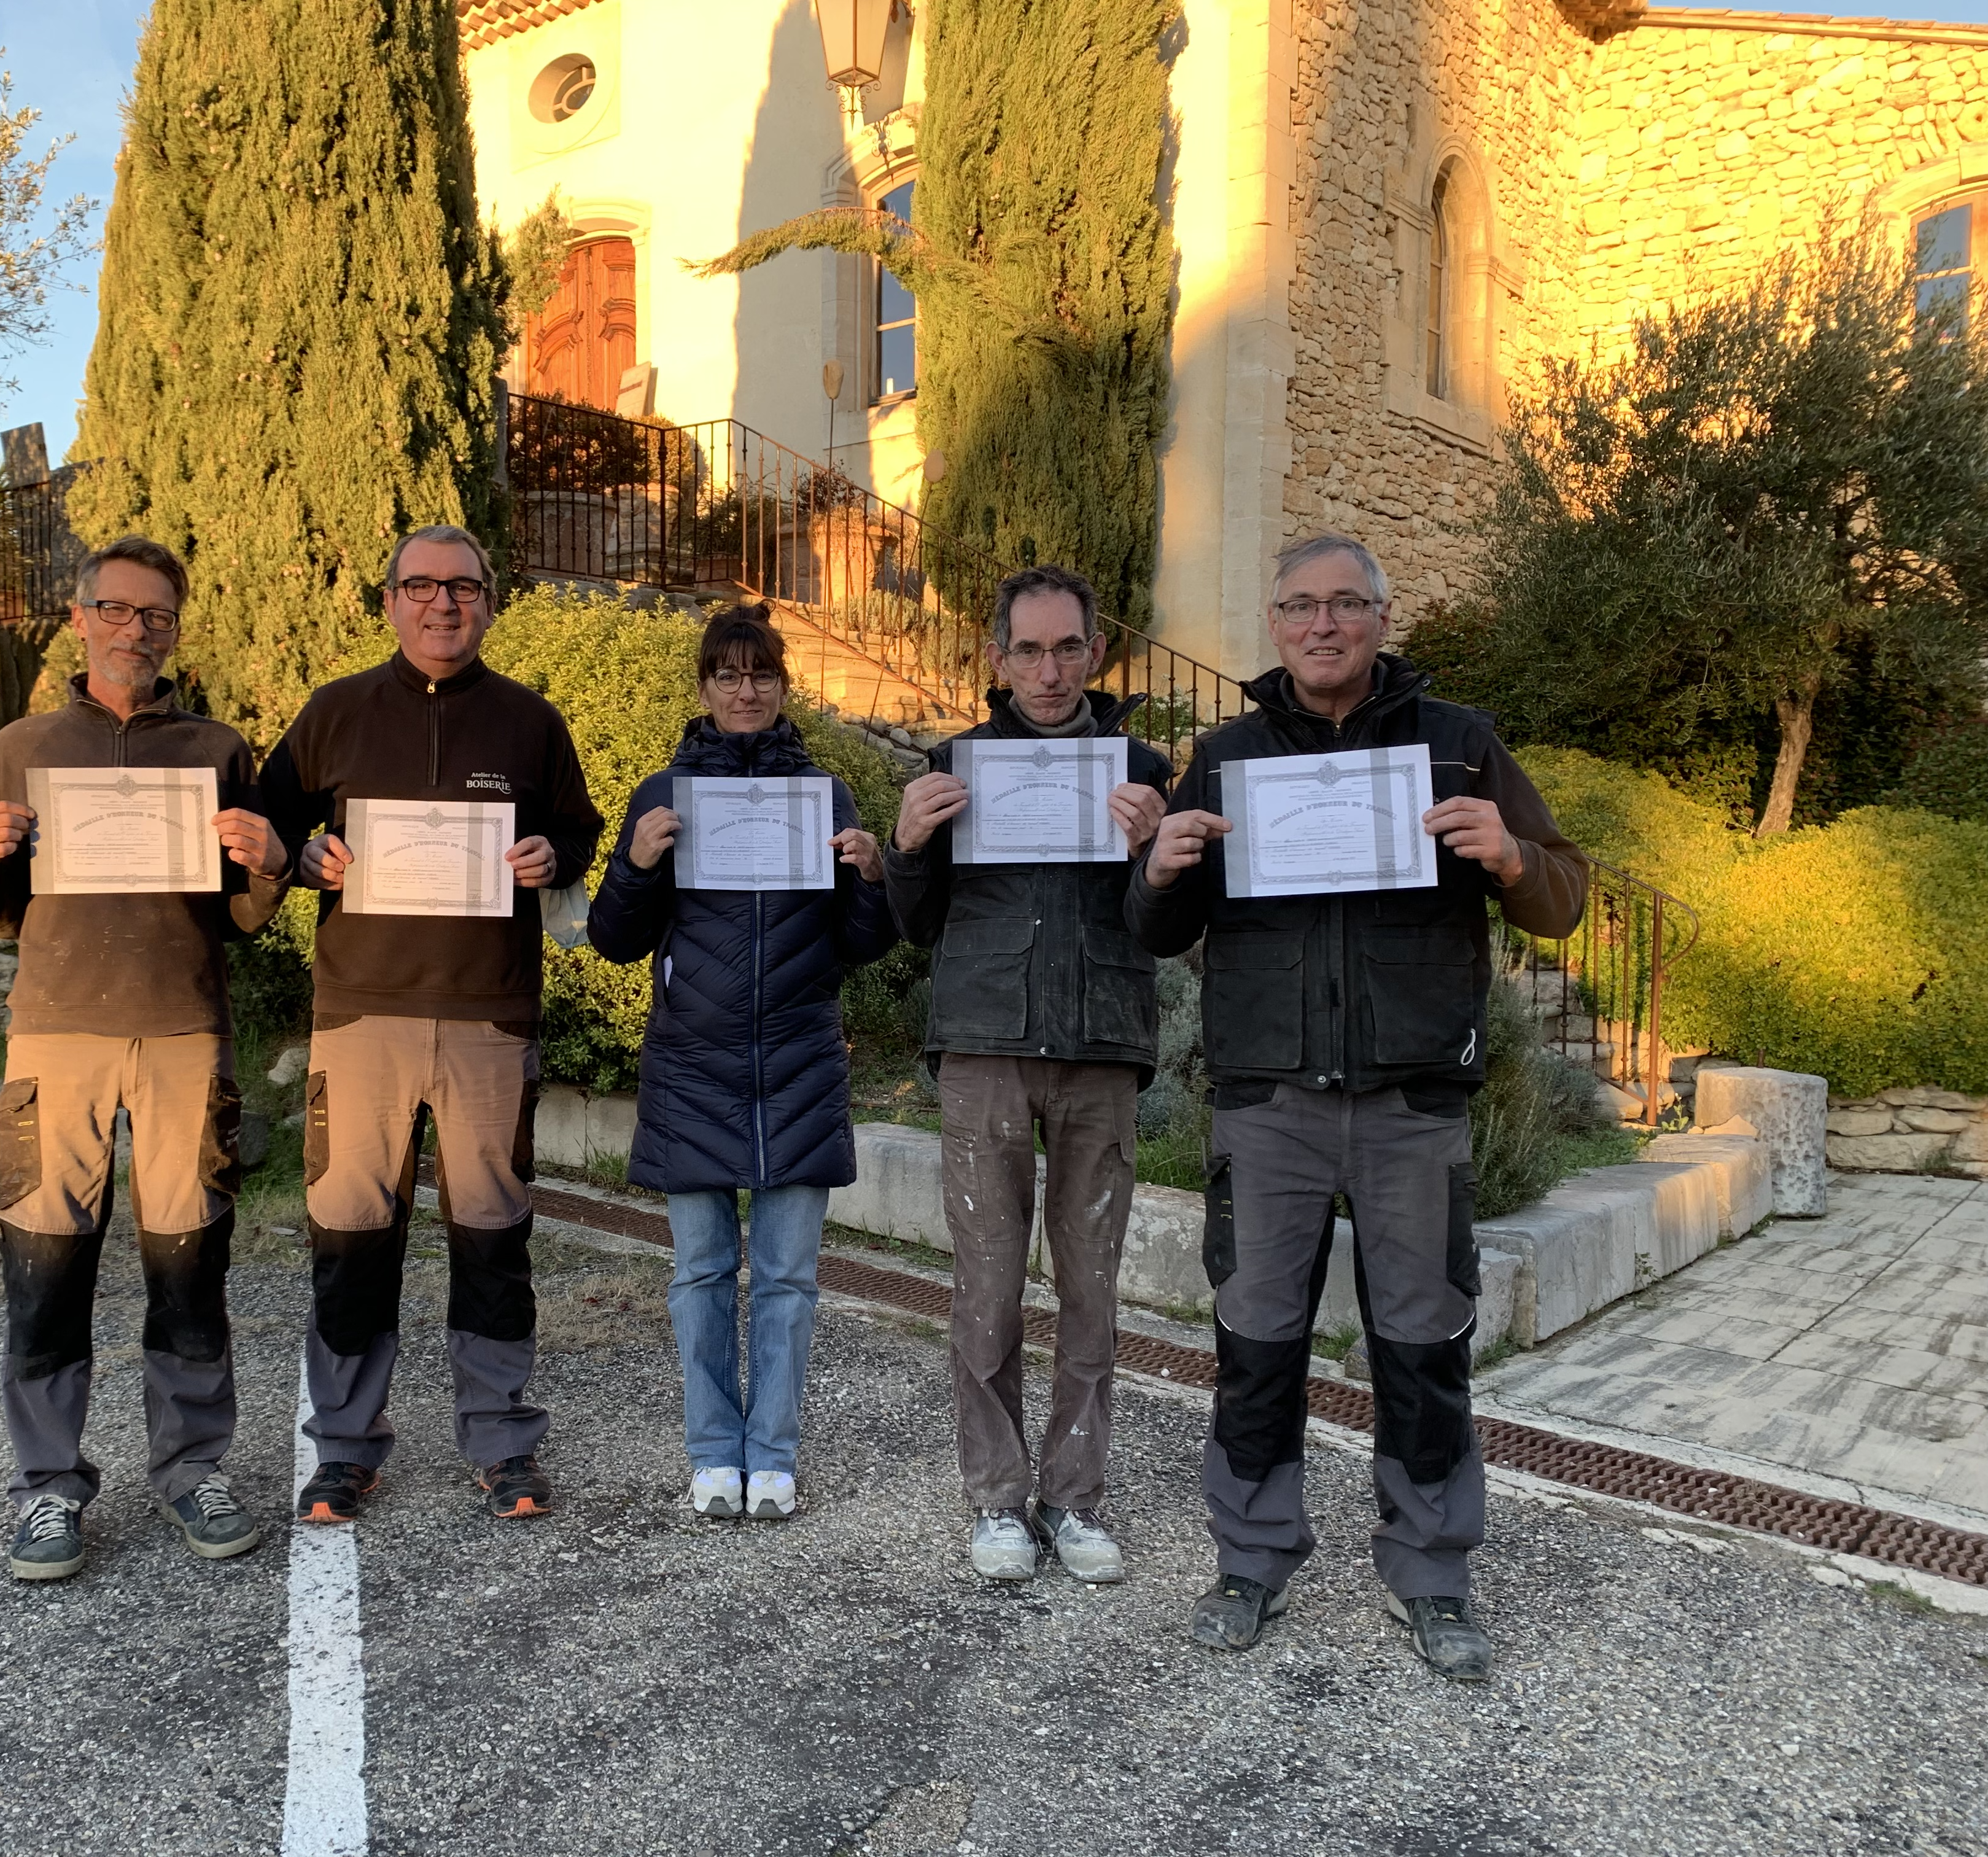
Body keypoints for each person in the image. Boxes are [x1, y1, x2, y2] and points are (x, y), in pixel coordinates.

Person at [1125, 531, 1587, 1680]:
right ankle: (1252, 1558)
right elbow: (1155, 933)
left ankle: (1430, 1574)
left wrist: (1514, 858)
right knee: (1255, 1342)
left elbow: (1566, 898)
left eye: (1346, 605)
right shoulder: (1225, 759)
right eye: (1299, 608)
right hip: (1267, 1103)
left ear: (1384, 618)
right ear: (1273, 626)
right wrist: (1161, 868)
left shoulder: (1458, 745)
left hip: (1410, 1102)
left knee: (1425, 1343)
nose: (1322, 625)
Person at [0, 534, 292, 1582]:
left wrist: (270, 867)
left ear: (175, 630)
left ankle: (194, 1468)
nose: (135, 630)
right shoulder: (22, 747)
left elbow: (238, 918)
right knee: (45, 1265)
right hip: (58, 1032)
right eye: (117, 610)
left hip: (186, 1033)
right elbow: (1, 913)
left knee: (191, 1262)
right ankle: (48, 1489)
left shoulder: (221, 750)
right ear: (81, 616)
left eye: (157, 616)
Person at [260, 523, 602, 1525]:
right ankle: (345, 1448)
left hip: (489, 1019)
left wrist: (550, 853)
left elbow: (577, 830)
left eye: (464, 587)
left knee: (492, 1238)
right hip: (361, 1015)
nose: (443, 603)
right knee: (351, 1237)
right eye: (422, 586)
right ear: (390, 601)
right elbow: (272, 820)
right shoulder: (336, 712)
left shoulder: (530, 723)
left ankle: (502, 1442)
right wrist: (307, 853)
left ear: (489, 602)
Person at [884, 563, 1171, 1584]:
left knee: (1091, 1288)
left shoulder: (1140, 766)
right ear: (997, 659)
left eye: (1068, 648)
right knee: (989, 1289)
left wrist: (1155, 858)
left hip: (1100, 1046)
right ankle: (999, 1500)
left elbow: (1164, 931)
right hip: (987, 1048)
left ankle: (1078, 1499)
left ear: (1098, 653)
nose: (1048, 671)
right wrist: (909, 843)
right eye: (1028, 650)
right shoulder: (954, 761)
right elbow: (909, 927)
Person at [586, 605, 897, 1521]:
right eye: (727, 674)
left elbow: (860, 946)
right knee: (701, 1276)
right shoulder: (664, 794)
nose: (745, 689)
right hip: (694, 1067)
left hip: (800, 1063)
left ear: (784, 687)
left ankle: (775, 1456)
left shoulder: (827, 796)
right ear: (704, 688)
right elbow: (611, 937)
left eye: (761, 674)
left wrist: (875, 879)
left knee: (792, 1279)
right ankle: (714, 1453)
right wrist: (638, 866)